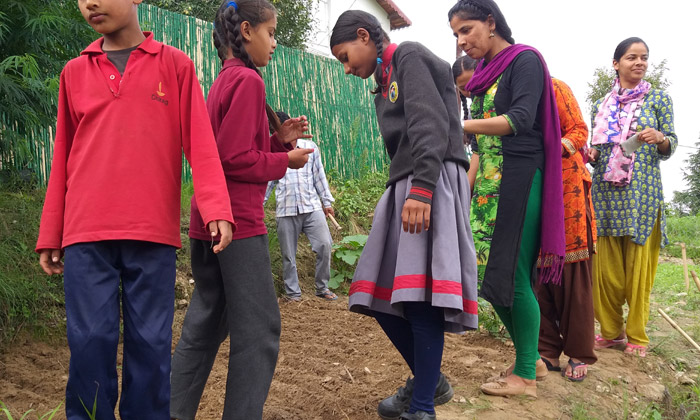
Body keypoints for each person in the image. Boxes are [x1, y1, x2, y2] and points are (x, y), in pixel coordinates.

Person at [35, 0, 235, 418]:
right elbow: (63, 155)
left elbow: (200, 141)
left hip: (151, 234)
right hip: (86, 233)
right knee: (90, 342)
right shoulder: (74, 72)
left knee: (151, 347)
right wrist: (51, 228)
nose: (90, 3)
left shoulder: (175, 66)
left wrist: (215, 204)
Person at [169, 1, 314, 419]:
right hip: (237, 225)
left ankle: (171, 412)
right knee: (259, 332)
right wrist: (286, 160)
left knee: (207, 322)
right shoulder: (249, 82)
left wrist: (274, 140)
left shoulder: (222, 81)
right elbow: (234, 160)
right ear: (247, 31)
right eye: (271, 34)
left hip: (206, 220)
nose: (274, 44)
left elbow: (225, 153)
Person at [331, 10, 478, 420]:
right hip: (408, 186)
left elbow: (428, 123)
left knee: (419, 301)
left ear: (365, 36)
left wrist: (423, 189)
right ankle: (430, 381)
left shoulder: (409, 56)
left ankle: (422, 407)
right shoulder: (384, 79)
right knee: (377, 295)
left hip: (428, 183)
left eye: (346, 57)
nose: (346, 68)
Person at [449, 0, 566, 398]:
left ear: (490, 22)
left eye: (466, 30)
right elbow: (479, 148)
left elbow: (519, 120)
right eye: (456, 35)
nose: (462, 41)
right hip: (488, 188)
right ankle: (529, 358)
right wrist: (462, 192)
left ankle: (525, 375)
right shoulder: (481, 75)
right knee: (489, 276)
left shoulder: (525, 61)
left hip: (520, 179)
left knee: (514, 275)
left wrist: (458, 123)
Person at [588, 37, 677, 358]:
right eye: (631, 57)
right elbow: (596, 148)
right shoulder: (602, 103)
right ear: (616, 64)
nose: (639, 63)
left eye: (644, 58)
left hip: (643, 195)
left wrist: (661, 138)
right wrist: (591, 153)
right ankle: (611, 332)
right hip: (606, 195)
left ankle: (637, 335)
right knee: (606, 272)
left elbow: (671, 144)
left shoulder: (659, 100)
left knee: (638, 272)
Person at [534, 78, 597, 382]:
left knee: (571, 269)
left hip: (567, 188)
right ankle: (546, 348)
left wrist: (548, 150)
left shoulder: (552, 87)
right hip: (533, 187)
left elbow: (579, 131)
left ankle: (579, 351)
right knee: (536, 271)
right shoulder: (502, 95)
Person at [264, 110, 338, 302]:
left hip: (311, 206)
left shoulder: (310, 147)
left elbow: (318, 176)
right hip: (286, 209)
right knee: (288, 255)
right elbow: (268, 181)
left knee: (324, 245)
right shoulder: (272, 152)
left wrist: (326, 202)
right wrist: (258, 205)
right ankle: (293, 293)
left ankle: (322, 287)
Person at [452, 55, 480, 190]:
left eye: (473, 83)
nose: (469, 91)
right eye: (463, 88)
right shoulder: (472, 110)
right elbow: (477, 148)